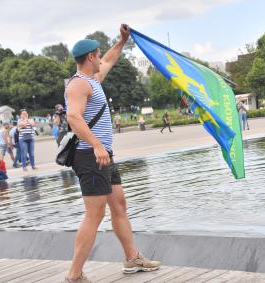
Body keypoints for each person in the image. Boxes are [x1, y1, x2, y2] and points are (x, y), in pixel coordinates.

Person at [64, 26, 161, 283]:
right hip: (90, 155)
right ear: (89, 58)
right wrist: (96, 145)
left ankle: (132, 258)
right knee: (94, 214)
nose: (101, 58)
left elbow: (110, 59)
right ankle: (74, 274)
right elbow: (73, 117)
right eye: (97, 54)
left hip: (104, 155)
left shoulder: (94, 80)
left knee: (118, 204)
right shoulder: (78, 85)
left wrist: (122, 40)